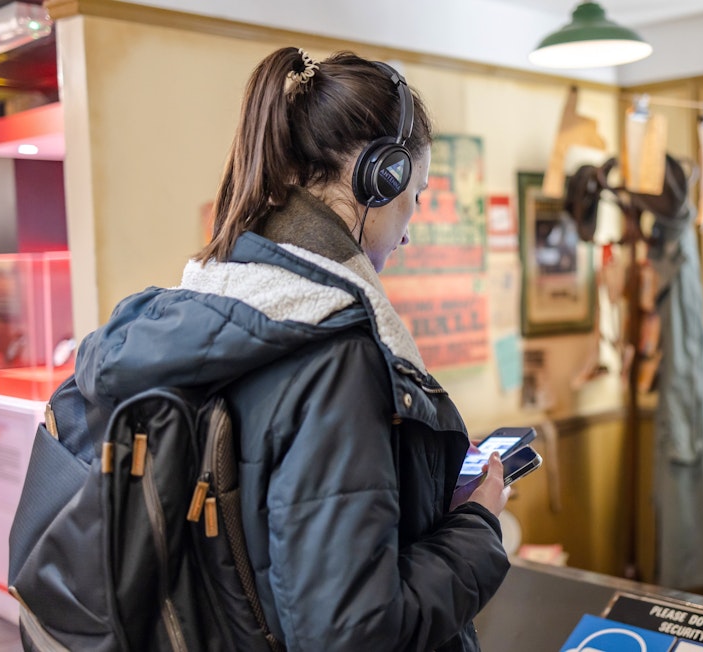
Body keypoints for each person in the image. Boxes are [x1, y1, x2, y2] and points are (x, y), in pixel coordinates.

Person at [74, 47, 510, 650]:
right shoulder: (339, 359)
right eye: (417, 193)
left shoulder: (203, 306)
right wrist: (478, 528)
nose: (409, 229)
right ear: (380, 177)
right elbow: (352, 632)